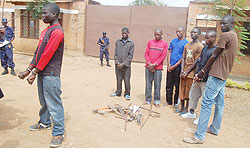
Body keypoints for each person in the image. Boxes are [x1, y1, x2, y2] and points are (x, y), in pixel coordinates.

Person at [183, 15, 238, 144]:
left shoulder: (226, 36)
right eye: (221, 24)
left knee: (206, 103)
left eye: (225, 24)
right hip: (224, 74)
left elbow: (214, 55)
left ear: (232, 24)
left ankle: (199, 136)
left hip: (216, 74)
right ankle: (214, 128)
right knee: (219, 103)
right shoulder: (234, 36)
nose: (222, 26)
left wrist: (202, 71)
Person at [18, 3, 65, 147]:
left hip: (50, 73)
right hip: (41, 72)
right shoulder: (46, 31)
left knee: (54, 103)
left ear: (54, 14)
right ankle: (44, 123)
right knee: (44, 101)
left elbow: (47, 54)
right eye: (42, 13)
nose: (42, 16)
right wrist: (28, 69)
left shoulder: (57, 32)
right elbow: (38, 52)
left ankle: (58, 132)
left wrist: (34, 72)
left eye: (45, 13)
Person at [180, 30, 217, 125]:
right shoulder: (205, 49)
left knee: (205, 100)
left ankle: (202, 118)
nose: (206, 40)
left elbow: (211, 66)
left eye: (208, 38)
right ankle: (191, 112)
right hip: (198, 77)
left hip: (206, 79)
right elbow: (199, 62)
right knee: (193, 95)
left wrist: (202, 74)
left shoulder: (215, 51)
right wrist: (197, 74)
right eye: (205, 38)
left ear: (214, 38)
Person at [177, 27, 203, 114]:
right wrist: (182, 71)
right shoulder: (187, 45)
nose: (193, 34)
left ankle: (187, 108)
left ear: (199, 34)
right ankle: (181, 107)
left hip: (191, 72)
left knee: (189, 91)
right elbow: (183, 58)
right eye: (191, 32)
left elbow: (196, 61)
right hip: (184, 72)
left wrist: (187, 72)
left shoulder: (200, 46)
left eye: (195, 32)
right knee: (182, 90)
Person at [165, 26, 189, 108]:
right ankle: (168, 101)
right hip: (170, 66)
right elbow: (169, 52)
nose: (178, 33)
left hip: (178, 67)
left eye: (179, 31)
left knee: (177, 85)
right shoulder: (173, 41)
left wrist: (175, 65)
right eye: (177, 32)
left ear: (183, 32)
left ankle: (176, 102)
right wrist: (168, 64)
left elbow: (183, 57)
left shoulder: (186, 43)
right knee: (169, 84)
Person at [144, 29, 168, 107]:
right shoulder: (150, 42)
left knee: (157, 85)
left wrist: (155, 64)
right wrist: (149, 63)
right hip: (148, 67)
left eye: (158, 34)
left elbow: (163, 56)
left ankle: (157, 100)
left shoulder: (164, 44)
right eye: (155, 34)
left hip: (158, 68)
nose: (157, 36)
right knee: (148, 84)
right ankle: (148, 99)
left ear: (161, 34)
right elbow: (146, 53)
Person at [110, 27, 134, 100]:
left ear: (128, 33)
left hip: (126, 66)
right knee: (119, 79)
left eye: (125, 33)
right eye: (123, 33)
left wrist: (123, 64)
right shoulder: (118, 42)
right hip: (118, 65)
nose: (124, 34)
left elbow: (131, 55)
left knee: (127, 80)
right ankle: (118, 92)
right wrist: (117, 63)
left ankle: (127, 93)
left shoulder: (131, 43)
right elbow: (115, 54)